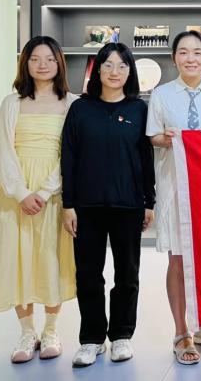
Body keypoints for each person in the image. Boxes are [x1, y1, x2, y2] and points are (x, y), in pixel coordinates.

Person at [0, 36, 78, 364]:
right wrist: (21, 192)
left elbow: (72, 153)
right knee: (17, 257)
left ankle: (51, 329)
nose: (42, 65)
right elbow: (2, 150)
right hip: (15, 193)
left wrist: (46, 190)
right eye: (35, 59)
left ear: (59, 63)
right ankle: (26, 331)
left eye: (49, 59)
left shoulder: (72, 103)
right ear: (25, 64)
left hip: (54, 192)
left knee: (51, 258)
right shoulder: (12, 103)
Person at [61, 43, 155, 367]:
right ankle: (91, 339)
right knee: (88, 275)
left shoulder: (139, 110)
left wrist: (149, 201)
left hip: (128, 205)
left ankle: (122, 336)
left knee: (127, 274)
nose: (115, 72)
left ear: (130, 72)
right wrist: (68, 204)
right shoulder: (80, 109)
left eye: (122, 66)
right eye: (109, 65)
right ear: (97, 69)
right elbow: (68, 157)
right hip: (86, 206)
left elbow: (146, 159)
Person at [146, 31, 201, 365]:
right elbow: (152, 136)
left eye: (197, 52)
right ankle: (181, 331)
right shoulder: (161, 94)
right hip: (175, 186)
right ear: (174, 58)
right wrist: (169, 139)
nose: (190, 58)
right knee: (179, 259)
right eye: (183, 52)